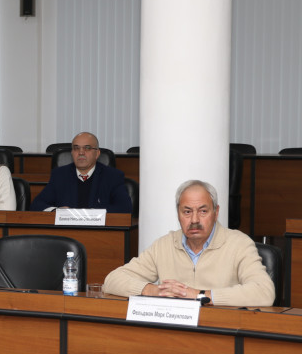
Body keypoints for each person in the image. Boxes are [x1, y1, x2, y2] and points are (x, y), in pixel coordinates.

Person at [103, 180, 274, 307]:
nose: (194, 220)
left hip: (221, 331)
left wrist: (200, 296)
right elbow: (111, 281)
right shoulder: (164, 245)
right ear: (178, 213)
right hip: (176, 332)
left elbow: (264, 292)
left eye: (203, 211)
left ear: (216, 212)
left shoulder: (239, 244)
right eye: (187, 212)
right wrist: (153, 290)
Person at [30, 132, 132, 213]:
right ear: (72, 153)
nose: (81, 152)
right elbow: (37, 205)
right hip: (66, 230)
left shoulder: (112, 176)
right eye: (76, 148)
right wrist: (56, 211)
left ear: (97, 154)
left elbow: (125, 208)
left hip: (99, 230)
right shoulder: (60, 175)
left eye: (87, 148)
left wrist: (93, 214)